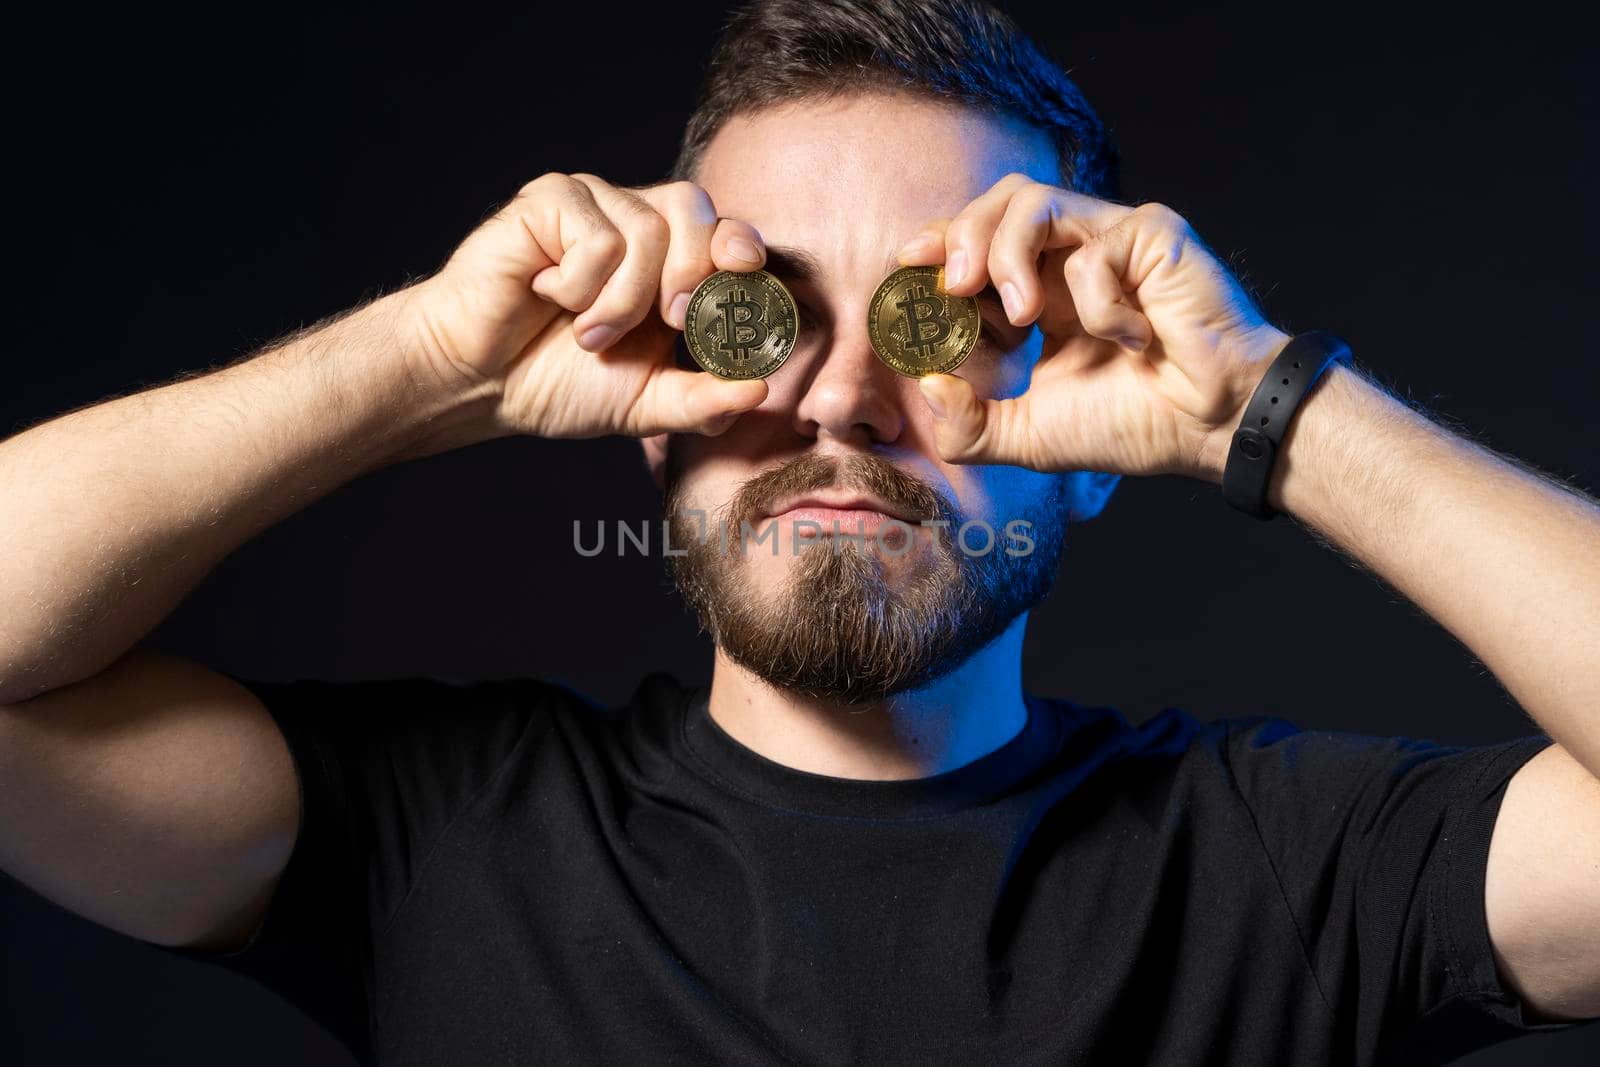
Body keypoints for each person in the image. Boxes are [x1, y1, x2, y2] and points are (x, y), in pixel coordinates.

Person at [1, 1, 1597, 1063]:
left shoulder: (1297, 870)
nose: (836, 398)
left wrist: (1263, 409)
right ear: (648, 401)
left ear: (1098, 437)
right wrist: (425, 360)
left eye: (936, 317)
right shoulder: (429, 841)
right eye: (757, 318)